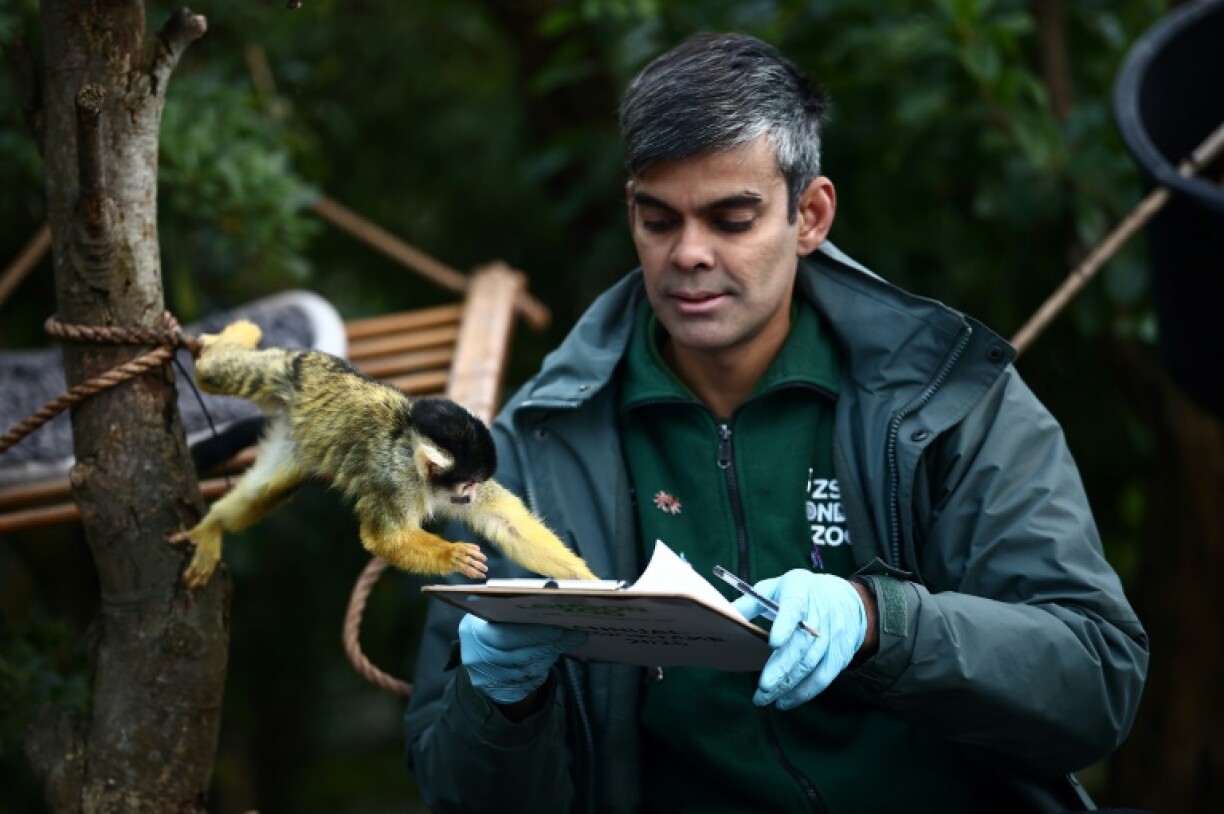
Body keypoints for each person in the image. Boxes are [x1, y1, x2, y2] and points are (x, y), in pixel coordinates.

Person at [403, 32, 1149, 813]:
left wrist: (878, 622)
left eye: (731, 219)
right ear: (631, 212)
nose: (688, 254)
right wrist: (501, 703)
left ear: (810, 215)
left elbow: (1097, 681)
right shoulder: (535, 446)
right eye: (659, 221)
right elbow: (460, 794)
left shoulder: (947, 399)